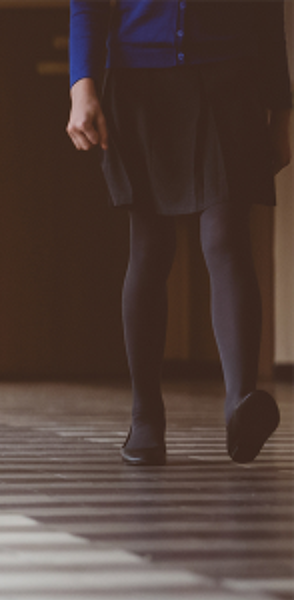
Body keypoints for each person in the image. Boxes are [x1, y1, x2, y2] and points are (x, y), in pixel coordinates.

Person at [68, 0, 288, 466]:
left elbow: (269, 9)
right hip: (139, 80)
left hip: (230, 77)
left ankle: (240, 404)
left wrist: (281, 110)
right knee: (151, 246)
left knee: (227, 235)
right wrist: (81, 84)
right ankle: (145, 416)